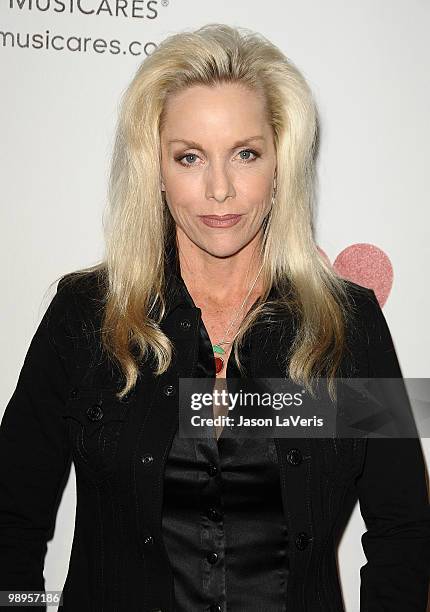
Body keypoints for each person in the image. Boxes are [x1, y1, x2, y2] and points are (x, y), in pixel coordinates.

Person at [0, 22, 429, 612]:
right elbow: (12, 517)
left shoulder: (347, 326)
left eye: (245, 153)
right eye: (190, 157)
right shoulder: (85, 316)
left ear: (282, 165)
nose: (219, 189)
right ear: (155, 168)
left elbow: (403, 527)